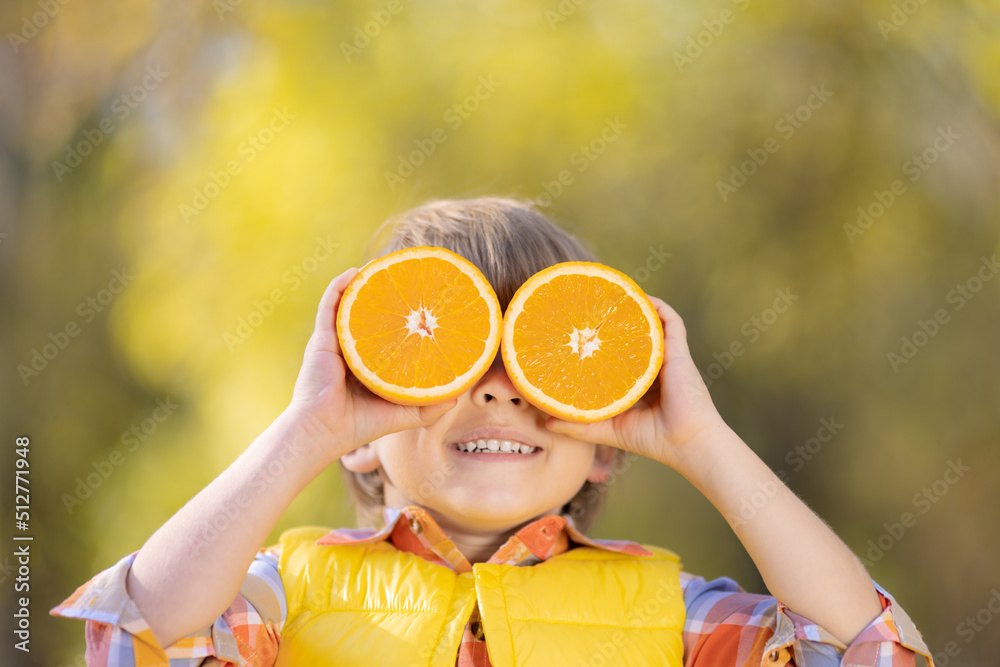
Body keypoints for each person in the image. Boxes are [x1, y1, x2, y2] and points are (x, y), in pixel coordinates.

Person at [52, 198, 934, 666]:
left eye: (547, 362)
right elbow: (143, 638)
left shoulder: (675, 617)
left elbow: (860, 651)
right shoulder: (286, 593)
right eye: (456, 357)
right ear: (364, 423)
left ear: (603, 441)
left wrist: (700, 438)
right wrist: (306, 427)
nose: (502, 391)